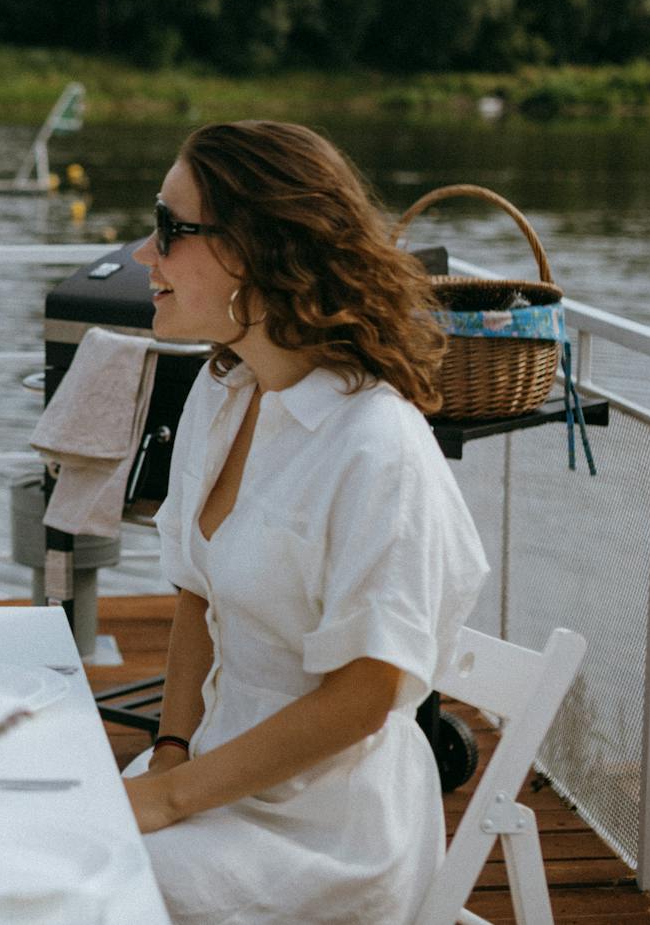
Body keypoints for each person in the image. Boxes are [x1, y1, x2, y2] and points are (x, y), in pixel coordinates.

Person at [120, 122, 489, 922]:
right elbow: (194, 596)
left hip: (331, 829)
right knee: (35, 843)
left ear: (249, 250)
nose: (146, 254)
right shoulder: (223, 393)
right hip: (215, 767)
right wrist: (172, 748)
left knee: (76, 884)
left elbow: (363, 697)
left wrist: (172, 796)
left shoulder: (376, 444)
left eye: (168, 228)